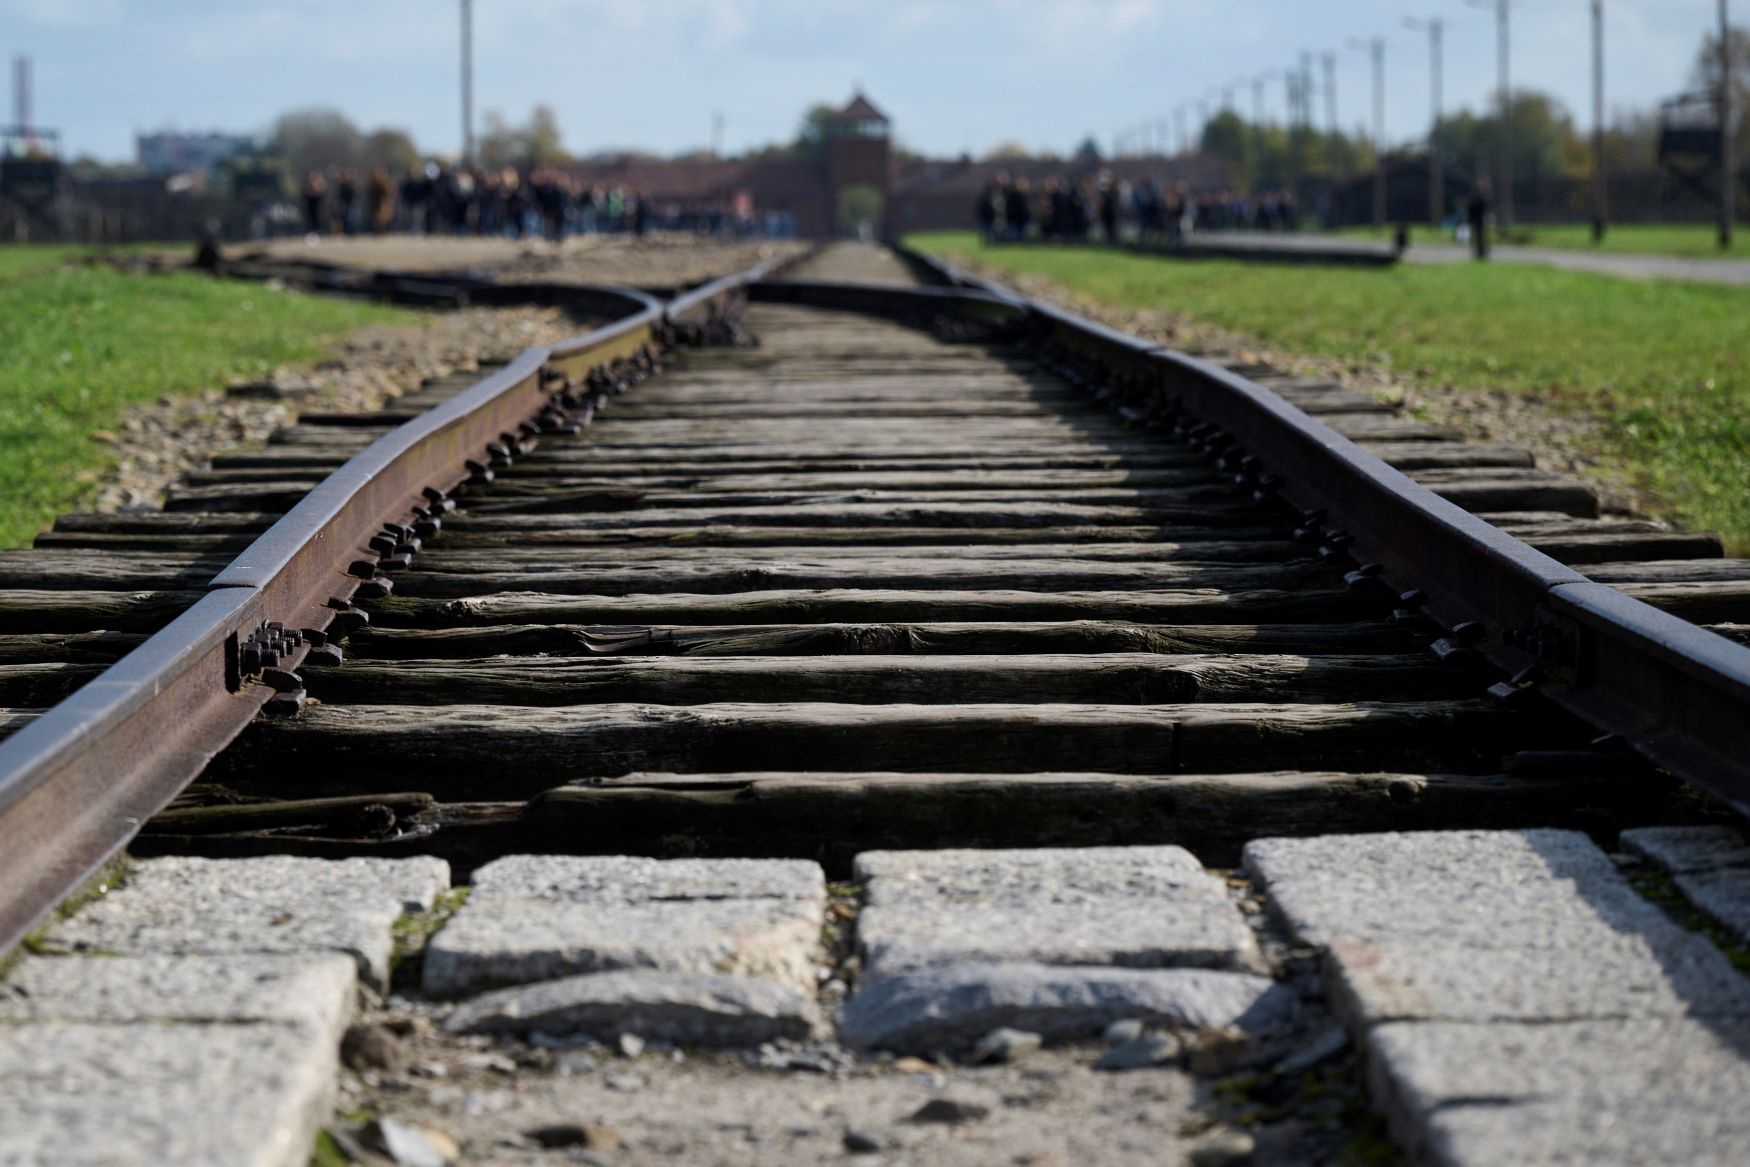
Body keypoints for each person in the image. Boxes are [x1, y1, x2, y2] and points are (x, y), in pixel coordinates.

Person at [1467, 178, 1491, 260]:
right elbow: (1472, 205)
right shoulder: (1475, 193)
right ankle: (1479, 253)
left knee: (1481, 237)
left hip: (1481, 218)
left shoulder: (1482, 193)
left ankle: (1482, 253)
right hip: (1476, 218)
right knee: (1478, 237)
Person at [301, 170, 327, 235]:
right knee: (311, 219)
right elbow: (306, 194)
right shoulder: (308, 185)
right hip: (310, 206)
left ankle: (320, 230)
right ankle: (312, 231)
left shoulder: (320, 184)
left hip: (318, 207)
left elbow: (320, 193)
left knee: (318, 218)